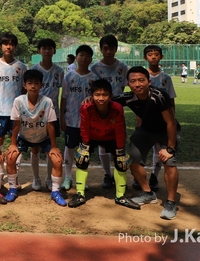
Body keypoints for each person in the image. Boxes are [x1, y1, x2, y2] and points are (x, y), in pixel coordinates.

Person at [114, 67, 180, 220]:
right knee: (133, 158)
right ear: (128, 84)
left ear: (149, 82)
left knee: (169, 162)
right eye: (133, 81)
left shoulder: (159, 96)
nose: (137, 84)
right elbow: (106, 100)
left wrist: (170, 148)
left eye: (141, 80)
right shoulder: (129, 97)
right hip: (145, 130)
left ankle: (171, 202)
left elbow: (171, 122)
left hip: (165, 130)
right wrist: (89, 99)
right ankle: (148, 193)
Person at [68, 79, 139, 209]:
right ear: (91, 95)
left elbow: (120, 130)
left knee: (121, 161)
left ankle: (120, 196)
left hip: (111, 136)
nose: (101, 98)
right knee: (82, 158)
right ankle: (80, 194)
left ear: (111, 95)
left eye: (105, 95)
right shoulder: (86, 107)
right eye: (97, 95)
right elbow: (84, 127)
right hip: (91, 136)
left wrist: (120, 149)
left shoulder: (117, 108)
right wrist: (85, 145)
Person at [6, 69, 66, 206]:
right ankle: (12, 188)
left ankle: (55, 191)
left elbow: (51, 124)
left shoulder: (47, 101)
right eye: (30, 83)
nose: (33, 86)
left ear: (41, 85)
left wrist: (54, 146)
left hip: (43, 137)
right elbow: (16, 123)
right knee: (10, 157)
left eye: (36, 83)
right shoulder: (18, 101)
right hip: (24, 137)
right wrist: (13, 144)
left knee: (57, 160)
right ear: (24, 85)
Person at [134, 45, 177, 193]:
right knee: (141, 150)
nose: (153, 57)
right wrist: (139, 121)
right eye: (150, 54)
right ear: (145, 57)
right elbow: (138, 102)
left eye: (156, 54)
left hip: (162, 122)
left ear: (161, 57)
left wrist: (172, 119)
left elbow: (171, 100)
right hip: (145, 121)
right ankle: (139, 177)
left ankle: (154, 176)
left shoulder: (166, 78)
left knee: (159, 151)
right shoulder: (142, 78)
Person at [89, 35, 128, 190]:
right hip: (100, 111)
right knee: (102, 142)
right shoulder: (94, 68)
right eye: (105, 48)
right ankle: (107, 174)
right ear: (101, 49)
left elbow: (123, 88)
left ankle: (119, 174)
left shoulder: (122, 67)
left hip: (117, 111)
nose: (109, 51)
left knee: (118, 143)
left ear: (116, 49)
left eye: (112, 48)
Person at [60, 44, 97, 191]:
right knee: (69, 148)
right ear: (76, 57)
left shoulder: (94, 78)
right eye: (81, 55)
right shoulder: (69, 76)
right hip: (71, 119)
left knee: (84, 150)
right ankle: (68, 177)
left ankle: (82, 178)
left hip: (87, 122)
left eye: (87, 56)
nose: (84, 58)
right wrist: (62, 117)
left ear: (91, 59)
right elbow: (63, 98)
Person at [30, 39, 64, 191]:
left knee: (51, 148)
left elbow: (63, 95)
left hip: (53, 115)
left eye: (50, 48)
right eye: (44, 48)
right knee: (35, 148)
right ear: (39, 51)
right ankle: (36, 178)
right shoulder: (33, 69)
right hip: (35, 116)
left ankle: (49, 178)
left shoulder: (59, 71)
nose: (47, 51)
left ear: (54, 51)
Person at [0, 33, 27, 148]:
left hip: (16, 111)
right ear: (1, 46)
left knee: (16, 141)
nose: (8, 47)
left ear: (15, 46)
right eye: (5, 44)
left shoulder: (22, 67)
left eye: (11, 44)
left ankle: (15, 160)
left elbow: (24, 88)